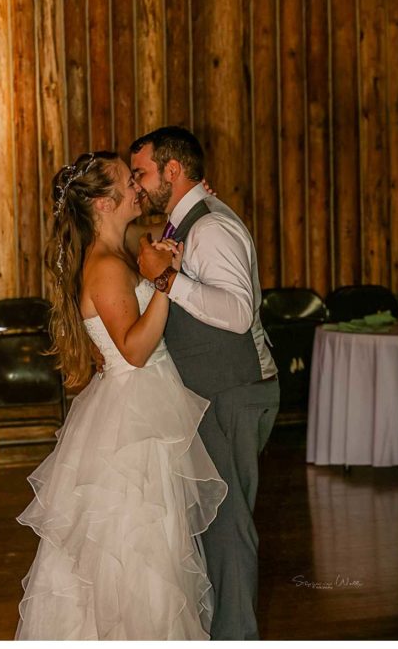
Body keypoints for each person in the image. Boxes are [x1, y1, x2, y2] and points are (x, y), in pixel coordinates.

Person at [15, 150, 227, 640]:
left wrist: (188, 217)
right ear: (104, 204)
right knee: (141, 546)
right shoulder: (107, 266)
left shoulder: (115, 254)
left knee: (152, 542)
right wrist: (162, 284)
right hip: (134, 411)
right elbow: (133, 350)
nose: (136, 186)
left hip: (139, 404)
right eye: (126, 180)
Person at [129, 127, 280, 640]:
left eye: (142, 172)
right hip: (213, 391)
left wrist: (167, 280)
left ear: (173, 170)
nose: (138, 184)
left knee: (228, 524)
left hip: (233, 390)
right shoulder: (187, 222)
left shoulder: (210, 228)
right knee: (215, 521)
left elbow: (238, 313)